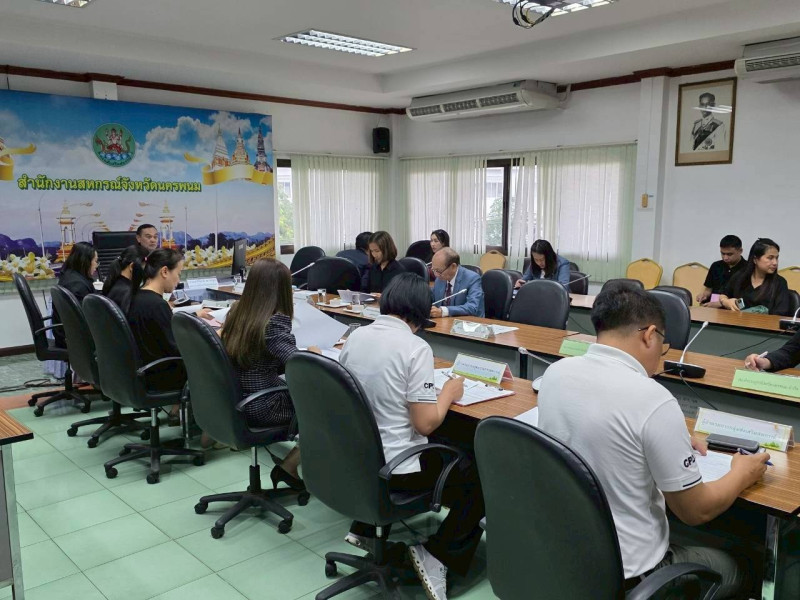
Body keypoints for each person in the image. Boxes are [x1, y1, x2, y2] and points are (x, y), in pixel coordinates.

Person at [537, 287, 768, 598]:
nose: (661, 356)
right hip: (631, 575)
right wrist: (743, 473)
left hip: (565, 555)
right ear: (649, 335)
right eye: (663, 344)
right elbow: (695, 511)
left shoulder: (556, 373)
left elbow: (596, 427)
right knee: (745, 565)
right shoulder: (652, 399)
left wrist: (667, 439)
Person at [340, 273, 485, 600]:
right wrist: (448, 392)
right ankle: (438, 555)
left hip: (358, 460)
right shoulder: (415, 347)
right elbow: (426, 424)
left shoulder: (356, 336)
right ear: (420, 312)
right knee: (480, 474)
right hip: (396, 471)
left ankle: (365, 528)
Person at [221, 258, 320, 489]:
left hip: (240, 399)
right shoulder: (274, 322)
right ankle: (290, 465)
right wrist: (314, 355)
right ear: (282, 290)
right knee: (327, 407)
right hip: (264, 405)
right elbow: (300, 368)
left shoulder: (238, 311)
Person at [127, 248, 187, 391]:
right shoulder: (157, 305)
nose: (179, 280)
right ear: (165, 271)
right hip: (162, 375)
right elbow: (176, 349)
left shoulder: (137, 297)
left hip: (145, 372)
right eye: (178, 274)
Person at [719, 238, 790, 315]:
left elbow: (780, 313)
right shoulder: (740, 276)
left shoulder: (780, 282)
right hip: (737, 321)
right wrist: (726, 301)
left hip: (764, 322)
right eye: (770, 258)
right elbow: (724, 294)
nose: (775, 262)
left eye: (776, 258)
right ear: (755, 259)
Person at [53, 241, 98, 348]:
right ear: (85, 262)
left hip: (65, 334)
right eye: (95, 261)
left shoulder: (69, 275)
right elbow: (86, 319)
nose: (96, 265)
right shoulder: (77, 286)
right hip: (73, 339)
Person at [430, 247, 485, 318]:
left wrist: (444, 311)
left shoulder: (472, 279)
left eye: (438, 271)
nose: (436, 275)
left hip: (468, 322)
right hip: (444, 322)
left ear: (453, 266)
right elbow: (432, 299)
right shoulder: (440, 278)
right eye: (434, 270)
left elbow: (472, 307)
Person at [697, 235, 745, 307]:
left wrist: (721, 304)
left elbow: (745, 300)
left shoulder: (748, 269)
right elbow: (708, 290)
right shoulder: (715, 266)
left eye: (729, 254)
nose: (725, 258)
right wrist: (704, 295)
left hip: (733, 309)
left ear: (740, 251)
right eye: (722, 253)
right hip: (711, 307)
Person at [102, 244, 149, 314]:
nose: (146, 273)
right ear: (132, 266)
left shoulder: (114, 283)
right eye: (144, 268)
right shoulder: (127, 293)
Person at [361, 230, 405, 295]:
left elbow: (401, 296)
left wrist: (383, 297)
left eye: (377, 251)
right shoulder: (372, 268)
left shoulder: (399, 271)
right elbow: (365, 290)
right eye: (372, 251)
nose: (374, 255)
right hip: (372, 301)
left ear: (387, 249)